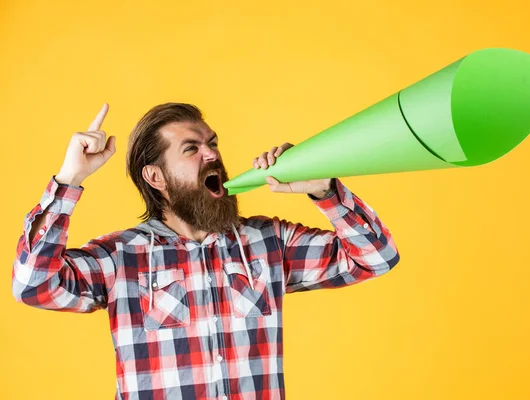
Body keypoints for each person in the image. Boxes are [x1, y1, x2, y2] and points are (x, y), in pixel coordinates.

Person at [12, 102, 400, 400]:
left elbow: (376, 257)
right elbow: (33, 285)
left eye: (212, 143)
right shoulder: (120, 258)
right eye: (191, 149)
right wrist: (69, 180)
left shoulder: (268, 243)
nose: (212, 155)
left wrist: (325, 189)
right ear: (156, 176)